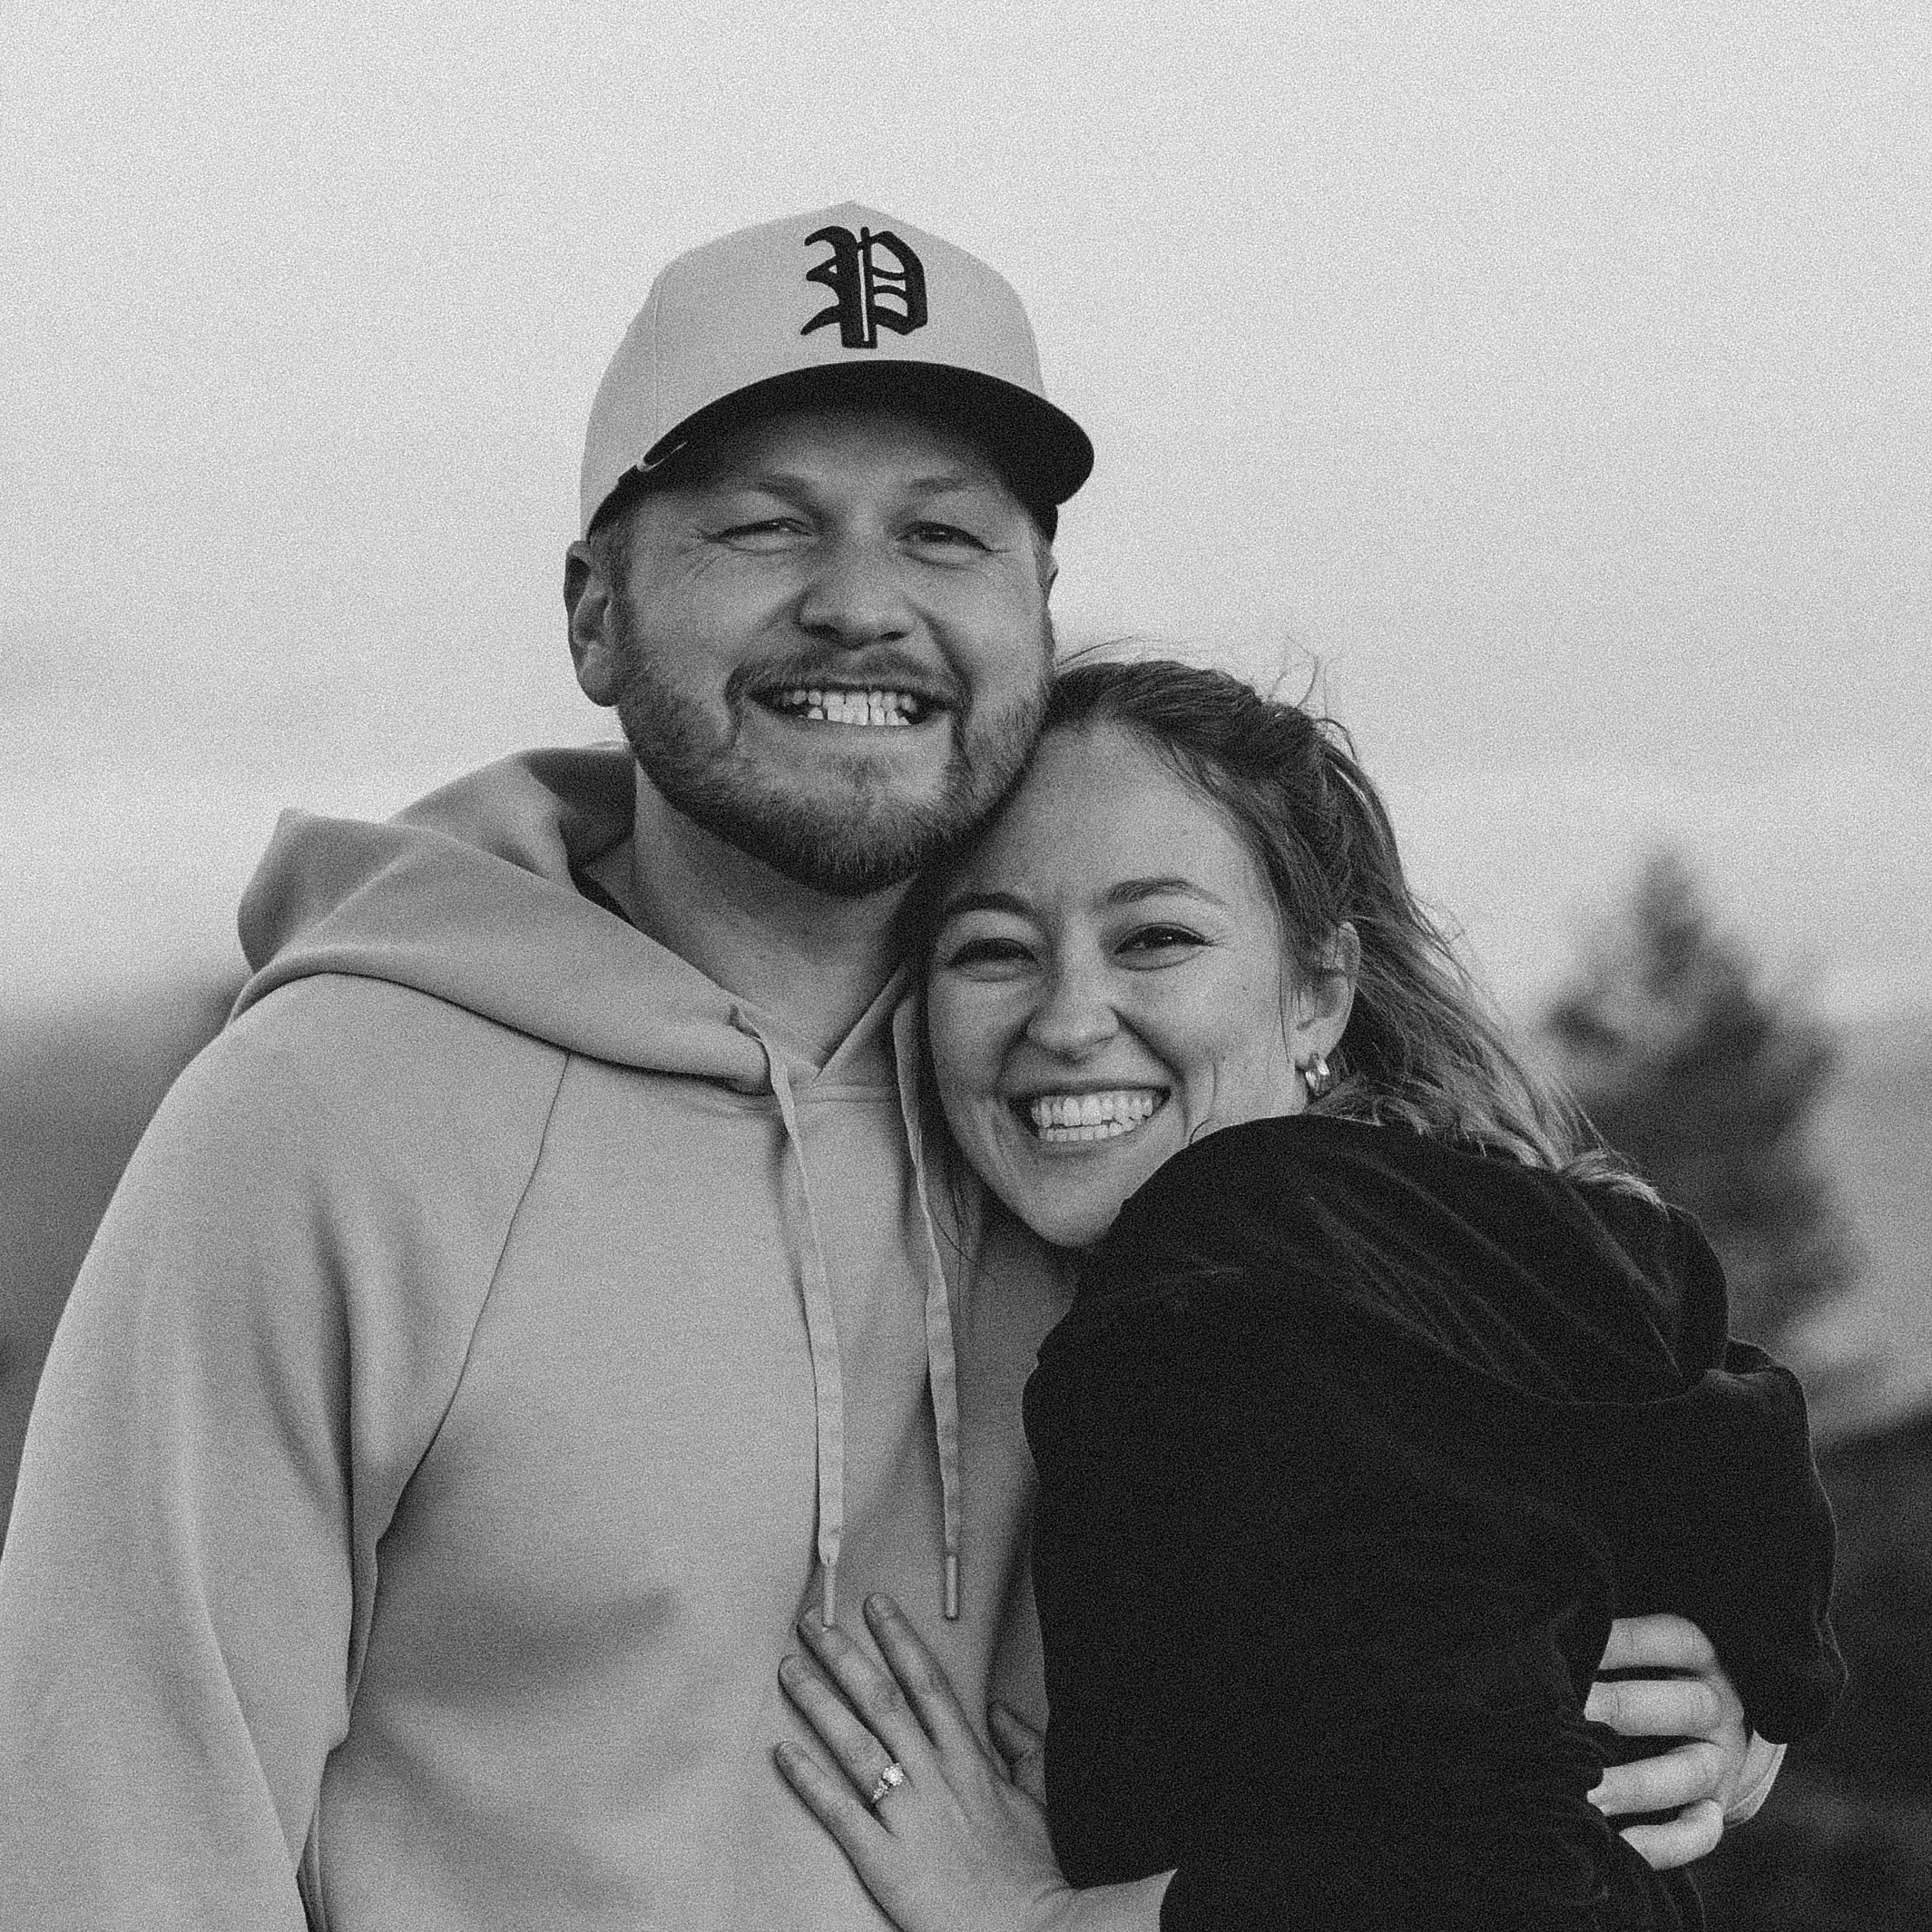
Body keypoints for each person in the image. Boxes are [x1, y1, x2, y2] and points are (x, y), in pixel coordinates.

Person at [0, 208, 1763, 1930]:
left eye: (941, 534)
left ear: (1035, 612)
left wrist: (1738, 1667)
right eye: (764, 526)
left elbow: (1586, 1374)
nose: (860, 605)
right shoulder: (336, 1117)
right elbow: (116, 1815)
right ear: (595, 613)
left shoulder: (1089, 1119)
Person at [772, 661, 1844, 1929]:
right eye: (992, 949)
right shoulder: (1509, 1243)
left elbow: (1490, 1879)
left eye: (1156, 938)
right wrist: (1758, 1689)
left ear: (1319, 990)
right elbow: (1740, 1440)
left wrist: (1034, 1919)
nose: (1067, 1019)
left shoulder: (1212, 1287)